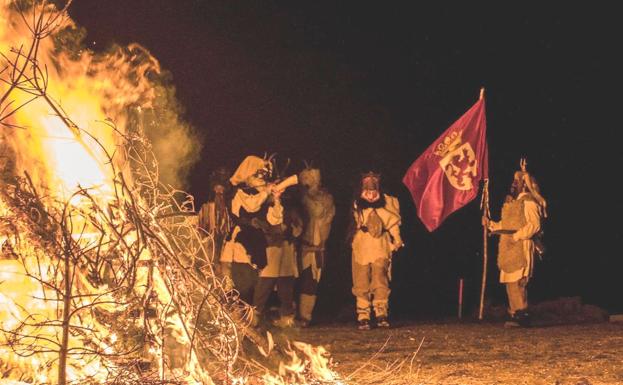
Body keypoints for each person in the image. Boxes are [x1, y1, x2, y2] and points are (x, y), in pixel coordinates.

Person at [486, 159, 545, 327]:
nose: (514, 184)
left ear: (525, 185)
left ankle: (521, 315)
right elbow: (505, 226)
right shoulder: (512, 204)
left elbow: (534, 225)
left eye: (517, 181)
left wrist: (517, 236)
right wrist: (490, 224)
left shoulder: (528, 202)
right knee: (510, 282)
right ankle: (515, 313)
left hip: (521, 245)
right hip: (509, 247)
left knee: (518, 282)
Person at [220, 155, 284, 305]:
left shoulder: (263, 195)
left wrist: (276, 199)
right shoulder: (239, 192)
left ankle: (248, 321)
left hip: (256, 244)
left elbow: (275, 219)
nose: (262, 179)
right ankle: (237, 320)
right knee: (239, 284)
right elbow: (251, 205)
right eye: (259, 175)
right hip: (240, 244)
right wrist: (266, 192)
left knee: (252, 284)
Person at [349, 171, 403, 330]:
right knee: (361, 279)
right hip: (362, 246)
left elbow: (393, 223)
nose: (371, 194)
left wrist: (397, 239)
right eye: (367, 190)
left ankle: (381, 313)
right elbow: (353, 224)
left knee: (380, 278)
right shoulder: (357, 205)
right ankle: (363, 315)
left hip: (380, 245)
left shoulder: (388, 203)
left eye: (374, 190)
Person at [252, 190, 303, 328]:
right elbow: (258, 224)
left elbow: (298, 227)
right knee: (265, 283)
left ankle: (287, 317)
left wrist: (290, 232)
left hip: (286, 248)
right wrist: (268, 231)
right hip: (270, 249)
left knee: (285, 283)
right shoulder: (263, 207)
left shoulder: (291, 209)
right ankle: (254, 316)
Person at [297, 166, 335, 327]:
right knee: (290, 280)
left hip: (316, 245)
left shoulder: (325, 198)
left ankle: (305, 316)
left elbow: (320, 212)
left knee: (311, 280)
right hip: (299, 243)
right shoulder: (300, 197)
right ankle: (289, 314)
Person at [197, 167, 233, 262]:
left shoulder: (228, 211)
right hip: (207, 249)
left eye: (221, 191)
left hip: (222, 251)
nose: (219, 193)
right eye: (217, 190)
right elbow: (200, 230)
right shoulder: (206, 208)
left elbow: (228, 230)